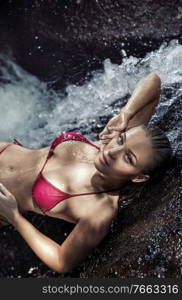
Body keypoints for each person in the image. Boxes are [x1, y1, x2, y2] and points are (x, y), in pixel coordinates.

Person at [0, 73, 172, 273]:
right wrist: (126, 114)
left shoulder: (100, 211)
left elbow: (62, 262)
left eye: (128, 158)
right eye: (121, 139)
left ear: (139, 177)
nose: (113, 152)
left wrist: (14, 217)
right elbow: (153, 81)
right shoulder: (107, 147)